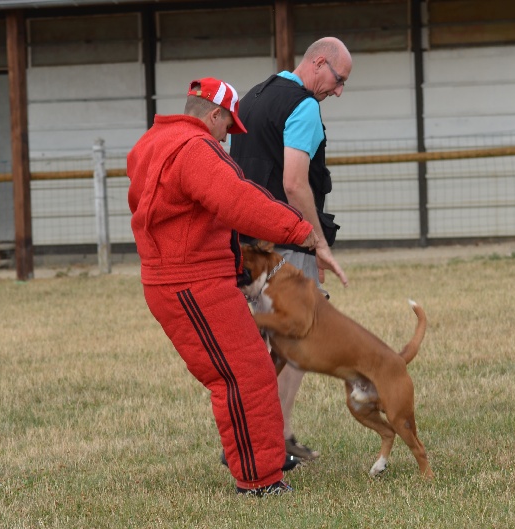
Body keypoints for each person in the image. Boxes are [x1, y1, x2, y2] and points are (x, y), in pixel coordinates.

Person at [126, 77, 343, 495]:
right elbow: (239, 201)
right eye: (229, 126)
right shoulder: (196, 150)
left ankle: (259, 464)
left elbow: (183, 211)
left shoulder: (150, 143)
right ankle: (259, 480)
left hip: (177, 277)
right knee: (243, 374)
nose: (229, 137)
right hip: (193, 282)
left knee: (240, 372)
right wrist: (301, 231)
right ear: (214, 115)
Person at [230, 37, 352, 462]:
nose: (338, 91)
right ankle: (274, 442)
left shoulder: (251, 99)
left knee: (254, 346)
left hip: (246, 246)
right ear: (319, 63)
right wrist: (318, 243)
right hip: (286, 243)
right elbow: (295, 183)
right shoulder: (303, 107)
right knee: (294, 341)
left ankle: (244, 440)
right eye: (339, 80)